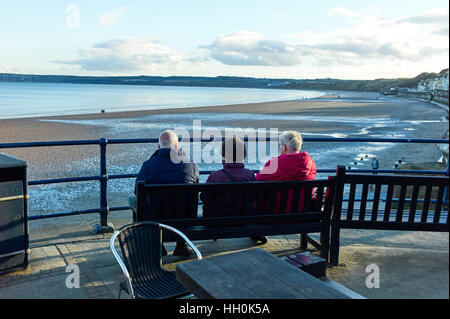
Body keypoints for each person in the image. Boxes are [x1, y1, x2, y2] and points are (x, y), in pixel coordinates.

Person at [129, 130, 199, 257]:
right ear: (177, 146)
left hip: (155, 219)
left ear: (159, 146)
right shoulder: (191, 164)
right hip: (185, 219)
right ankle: (181, 246)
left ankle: (158, 245)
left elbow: (137, 192)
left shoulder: (148, 165)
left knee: (134, 200)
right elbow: (196, 189)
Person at [200, 137, 265, 244]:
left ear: (223, 154)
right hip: (245, 220)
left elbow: (205, 197)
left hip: (217, 221)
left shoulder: (215, 176)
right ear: (244, 154)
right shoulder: (249, 175)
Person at [256, 130, 317, 213]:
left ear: (284, 147)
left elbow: (258, 180)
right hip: (302, 214)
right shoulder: (311, 163)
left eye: (280, 145)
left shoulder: (274, 164)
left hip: (276, 215)